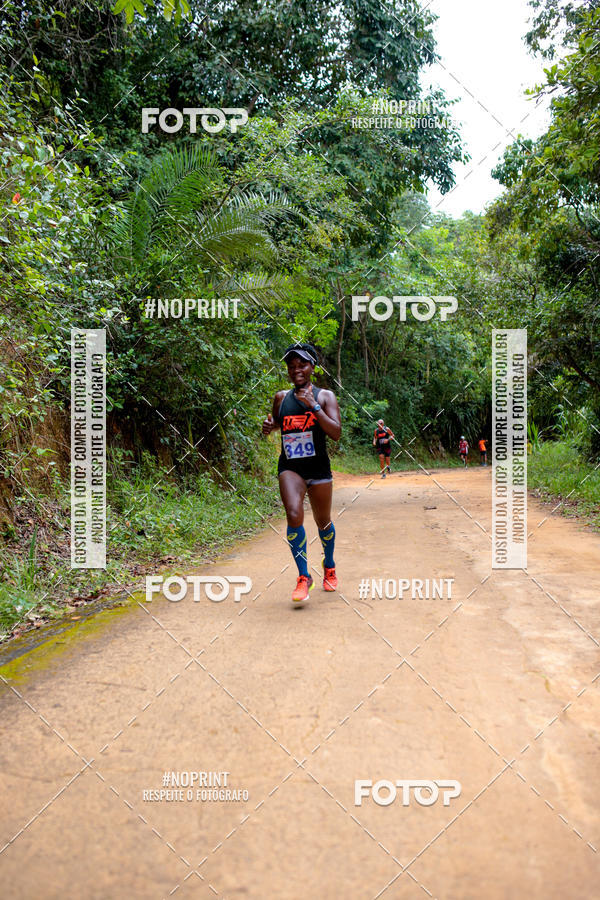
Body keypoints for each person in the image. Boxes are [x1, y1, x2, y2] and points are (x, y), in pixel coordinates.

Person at [262, 343, 341, 605]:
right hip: (291, 467)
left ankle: (329, 566)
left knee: (323, 522)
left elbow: (336, 433)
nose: (296, 369)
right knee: (294, 514)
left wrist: (313, 407)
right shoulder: (281, 398)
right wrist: (270, 426)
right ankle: (303, 576)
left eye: (302, 365)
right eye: (292, 366)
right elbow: (277, 422)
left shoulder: (325, 396)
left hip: (318, 468)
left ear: (312, 368)